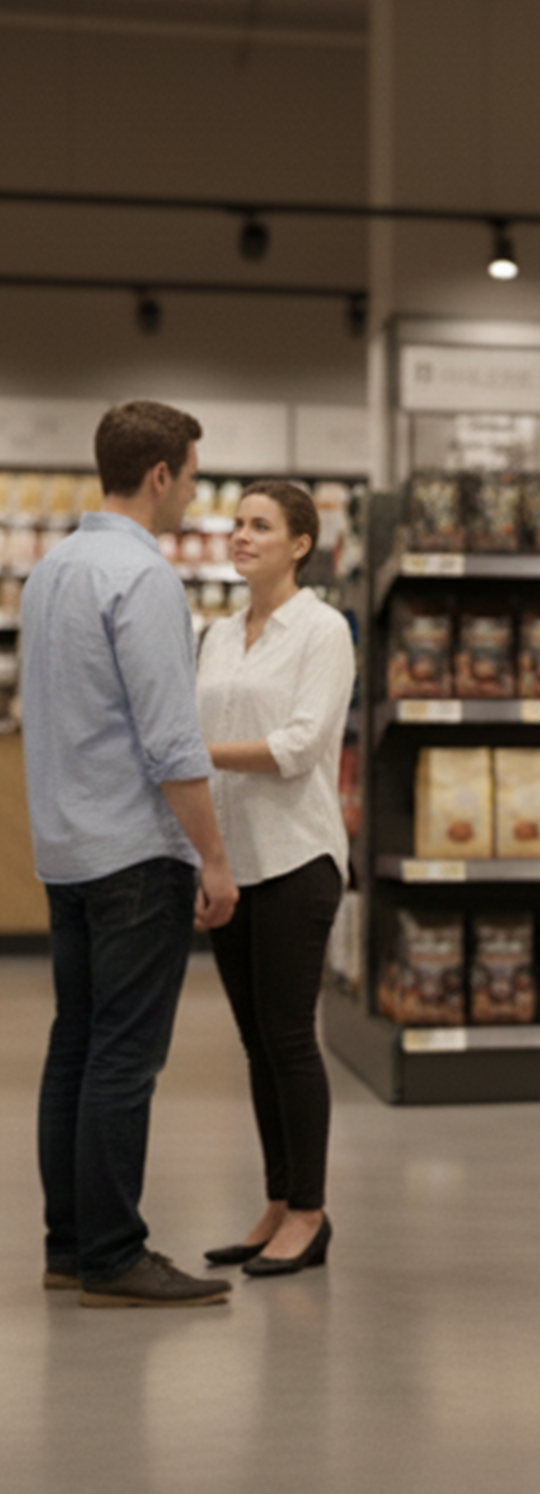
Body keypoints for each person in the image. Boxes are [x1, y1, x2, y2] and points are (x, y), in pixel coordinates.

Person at [21, 400, 240, 1309]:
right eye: (190, 475)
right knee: (124, 1058)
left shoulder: (49, 571)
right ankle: (115, 1255)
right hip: (135, 854)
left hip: (66, 849)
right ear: (160, 476)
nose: (193, 493)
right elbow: (171, 741)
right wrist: (215, 861)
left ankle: (69, 1245)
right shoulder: (142, 578)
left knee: (74, 1046)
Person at [196, 480, 355, 1279]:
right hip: (232, 861)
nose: (241, 535)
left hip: (297, 856)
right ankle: (275, 1200)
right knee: (256, 1045)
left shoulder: (323, 630)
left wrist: (194, 758)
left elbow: (297, 745)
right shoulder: (219, 635)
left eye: (261, 525)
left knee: (291, 1039)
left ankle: (310, 1213)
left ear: (300, 544)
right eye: (236, 522)